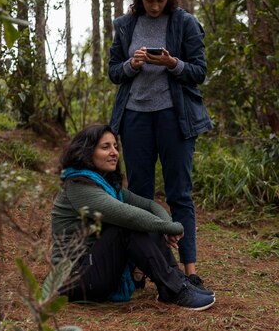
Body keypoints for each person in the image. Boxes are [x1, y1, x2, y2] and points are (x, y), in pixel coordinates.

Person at [108, 0, 212, 290]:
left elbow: (199, 71)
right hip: (135, 117)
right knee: (138, 196)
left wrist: (172, 63)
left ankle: (189, 270)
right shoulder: (126, 25)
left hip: (174, 116)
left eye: (161, 1)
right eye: (149, 0)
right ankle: (141, 269)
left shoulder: (184, 23)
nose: (155, 7)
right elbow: (113, 71)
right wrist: (131, 64)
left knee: (179, 193)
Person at [51, 124, 215, 311]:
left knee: (143, 222)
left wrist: (168, 225)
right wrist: (173, 228)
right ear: (87, 152)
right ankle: (174, 290)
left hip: (93, 269)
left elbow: (150, 206)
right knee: (127, 226)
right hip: (74, 281)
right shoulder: (79, 187)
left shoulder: (105, 186)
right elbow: (130, 217)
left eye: (115, 146)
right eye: (105, 147)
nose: (114, 152)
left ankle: (178, 282)